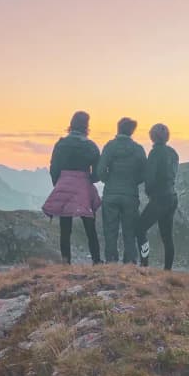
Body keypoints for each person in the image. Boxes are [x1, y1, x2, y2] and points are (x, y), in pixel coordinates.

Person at [42, 111, 102, 264]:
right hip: (83, 186)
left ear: (71, 124)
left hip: (64, 182)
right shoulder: (91, 146)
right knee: (90, 226)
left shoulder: (61, 144)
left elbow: (53, 167)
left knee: (65, 227)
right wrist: (90, 180)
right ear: (86, 126)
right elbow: (97, 173)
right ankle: (96, 261)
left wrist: (59, 184)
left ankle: (65, 262)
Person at [97, 117, 147, 264]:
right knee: (130, 231)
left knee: (110, 230)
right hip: (130, 195)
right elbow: (144, 172)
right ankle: (130, 262)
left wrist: (109, 180)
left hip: (111, 194)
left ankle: (111, 261)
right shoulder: (138, 149)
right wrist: (133, 182)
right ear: (132, 131)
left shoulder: (110, 147)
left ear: (118, 128)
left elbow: (100, 170)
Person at [136, 123, 180, 269]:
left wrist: (150, 193)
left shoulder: (155, 153)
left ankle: (144, 264)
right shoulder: (173, 153)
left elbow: (150, 177)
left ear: (152, 136)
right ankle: (167, 270)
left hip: (159, 197)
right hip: (172, 196)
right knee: (167, 236)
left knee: (140, 228)